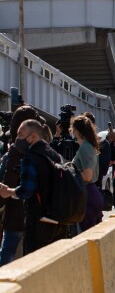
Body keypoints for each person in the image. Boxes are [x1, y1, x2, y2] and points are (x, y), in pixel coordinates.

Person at [0, 120, 68, 255]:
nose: (17, 138)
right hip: (59, 221)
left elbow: (26, 191)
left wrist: (8, 192)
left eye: (21, 134)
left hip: (39, 223)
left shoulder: (30, 158)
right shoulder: (54, 154)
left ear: (33, 136)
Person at [0, 106, 43, 265]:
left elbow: (7, 184)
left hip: (15, 219)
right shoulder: (45, 151)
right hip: (38, 219)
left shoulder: (13, 154)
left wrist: (6, 193)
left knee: (7, 260)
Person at [70, 116, 104, 232]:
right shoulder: (89, 146)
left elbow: (87, 176)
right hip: (91, 194)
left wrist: (70, 173)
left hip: (87, 196)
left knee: (86, 236)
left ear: (77, 131)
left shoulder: (85, 148)